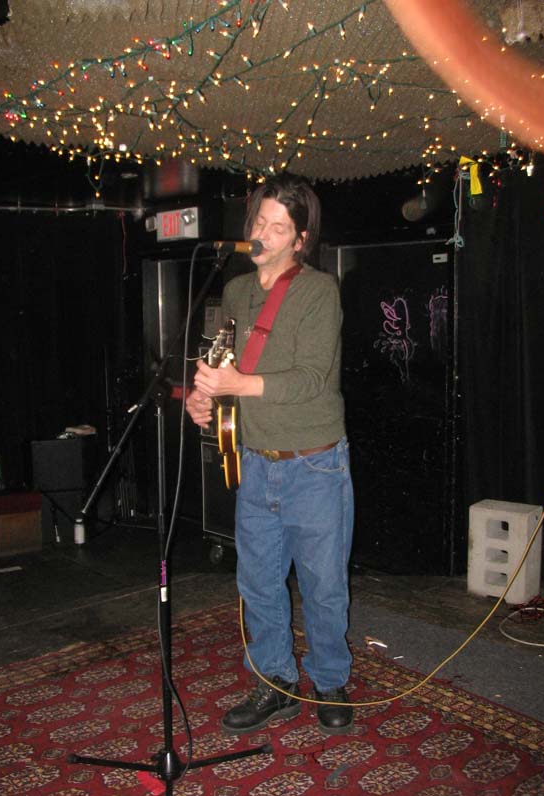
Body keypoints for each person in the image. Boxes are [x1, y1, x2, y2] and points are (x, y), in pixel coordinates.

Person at [186, 172, 354, 735]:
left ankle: (330, 681)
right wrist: (203, 397)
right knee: (257, 583)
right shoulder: (233, 291)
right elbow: (222, 366)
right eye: (259, 221)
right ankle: (276, 684)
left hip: (314, 464)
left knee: (323, 585)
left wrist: (236, 387)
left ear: (299, 240)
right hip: (255, 460)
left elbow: (310, 378)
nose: (263, 232)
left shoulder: (318, 291)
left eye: (278, 227)